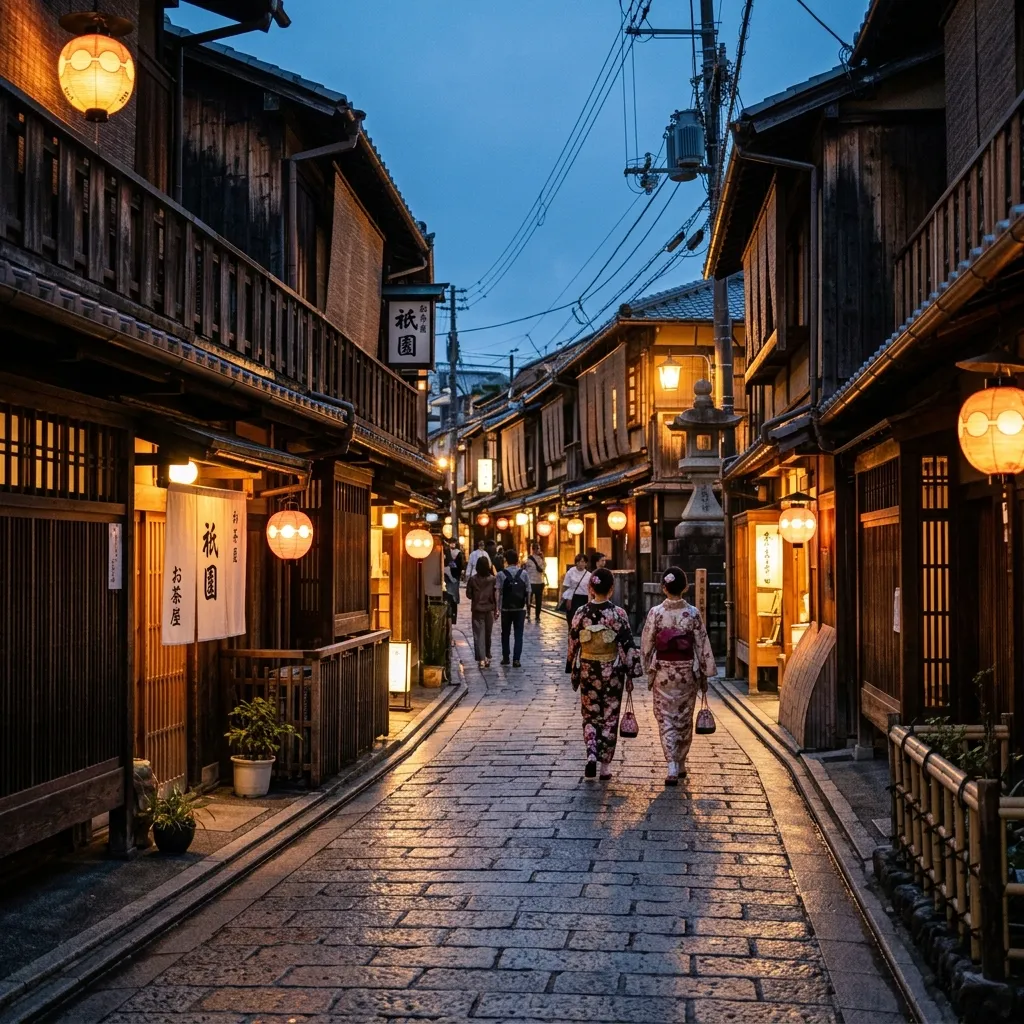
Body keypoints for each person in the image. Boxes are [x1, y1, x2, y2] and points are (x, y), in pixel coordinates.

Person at [641, 567, 717, 786]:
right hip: (686, 672)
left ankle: (672, 764)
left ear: (664, 588)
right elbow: (702, 643)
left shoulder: (656, 612)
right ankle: (680, 762)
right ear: (685, 587)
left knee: (665, 718)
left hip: (664, 670)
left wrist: (647, 667)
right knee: (683, 718)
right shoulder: (692, 613)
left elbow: (647, 643)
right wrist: (704, 672)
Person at [566, 567, 641, 780]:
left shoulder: (581, 613)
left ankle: (591, 753)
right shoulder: (618, 614)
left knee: (590, 714)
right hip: (612, 672)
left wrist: (572, 665)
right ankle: (605, 766)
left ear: (590, 588)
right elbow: (627, 644)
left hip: (589, 669)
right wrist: (631, 670)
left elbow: (573, 642)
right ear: (611, 589)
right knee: (609, 716)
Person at [495, 549, 528, 667]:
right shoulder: (523, 573)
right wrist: (527, 608)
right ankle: (516, 659)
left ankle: (505, 657)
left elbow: (497, 591)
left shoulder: (501, 574)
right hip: (520, 608)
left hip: (506, 608)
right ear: (517, 560)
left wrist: (497, 608)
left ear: (506, 560)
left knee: (505, 633)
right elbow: (528, 591)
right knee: (519, 634)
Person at [465, 554, 496, 668]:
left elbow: (468, 594)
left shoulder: (473, 579)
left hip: (477, 609)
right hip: (489, 609)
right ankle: (487, 656)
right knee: (488, 634)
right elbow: (495, 595)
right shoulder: (492, 579)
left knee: (479, 635)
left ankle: (481, 659)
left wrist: (475, 595)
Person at [561, 554, 591, 625]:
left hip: (584, 598)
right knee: (572, 619)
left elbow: (590, 589)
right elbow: (566, 587)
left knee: (582, 620)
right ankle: (571, 634)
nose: (581, 563)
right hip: (573, 598)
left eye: (583, 562)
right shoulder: (570, 572)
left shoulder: (589, 575)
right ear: (576, 563)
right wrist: (567, 599)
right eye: (579, 562)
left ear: (586, 563)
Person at [524, 543, 547, 623]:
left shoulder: (528, 559)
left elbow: (526, 571)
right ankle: (537, 616)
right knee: (538, 600)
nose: (538, 550)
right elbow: (544, 568)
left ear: (532, 549)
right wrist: (543, 558)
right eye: (538, 549)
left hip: (531, 582)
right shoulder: (541, 560)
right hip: (539, 582)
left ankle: (529, 614)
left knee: (529, 599)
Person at [443, 554, 460, 624]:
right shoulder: (452, 564)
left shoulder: (448, 566)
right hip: (451, 594)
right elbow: (455, 579)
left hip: (447, 592)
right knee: (451, 612)